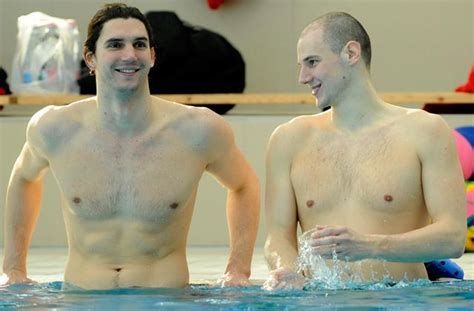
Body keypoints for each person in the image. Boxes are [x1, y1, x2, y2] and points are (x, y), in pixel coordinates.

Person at [2, 3, 259, 289]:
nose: (129, 55)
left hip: (166, 301)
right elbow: (24, 178)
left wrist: (238, 270)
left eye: (139, 44)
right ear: (91, 58)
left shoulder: (198, 130)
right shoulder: (54, 128)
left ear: (152, 56)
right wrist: (13, 269)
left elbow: (245, 185)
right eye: (115, 44)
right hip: (82, 299)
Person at [263, 12, 466, 290]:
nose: (302, 77)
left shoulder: (424, 131)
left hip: (402, 301)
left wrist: (371, 245)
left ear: (351, 52)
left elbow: (453, 237)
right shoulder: (288, 140)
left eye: (312, 62)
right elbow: (277, 235)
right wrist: (286, 270)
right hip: (320, 303)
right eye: (301, 65)